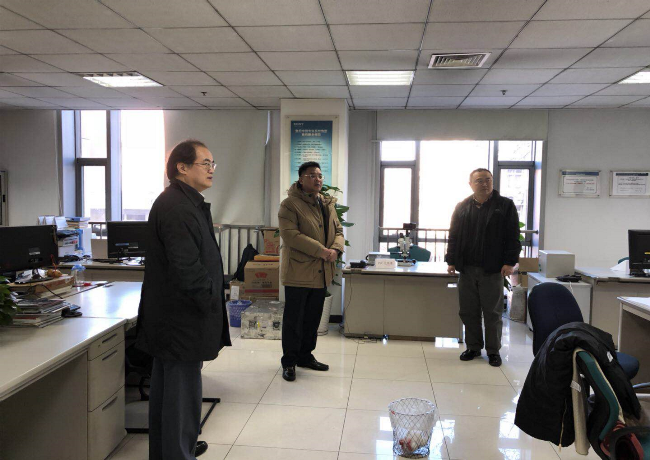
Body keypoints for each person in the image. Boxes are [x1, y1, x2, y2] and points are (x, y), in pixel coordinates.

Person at [136, 140, 231, 459]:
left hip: (176, 319)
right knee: (181, 398)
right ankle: (178, 453)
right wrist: (211, 301)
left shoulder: (183, 202)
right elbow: (187, 268)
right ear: (182, 167)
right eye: (206, 163)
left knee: (171, 395)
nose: (211, 169)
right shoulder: (177, 206)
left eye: (213, 163)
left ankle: (171, 451)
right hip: (182, 320)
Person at [445, 168, 521, 367]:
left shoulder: (505, 206)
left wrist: (509, 262)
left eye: (488, 179)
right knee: (468, 311)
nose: (484, 184)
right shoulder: (462, 207)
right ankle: (473, 347)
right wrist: (451, 261)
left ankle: (493, 351)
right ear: (470, 184)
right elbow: (453, 236)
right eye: (479, 180)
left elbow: (513, 236)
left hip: (492, 269)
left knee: (492, 313)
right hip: (467, 268)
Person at [278, 161, 345, 382]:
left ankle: (305, 356)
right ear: (301, 179)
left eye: (319, 175)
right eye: (312, 175)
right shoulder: (290, 204)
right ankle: (289, 361)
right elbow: (291, 235)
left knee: (312, 319)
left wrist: (335, 249)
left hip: (321, 271)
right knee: (294, 320)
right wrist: (322, 251)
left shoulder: (326, 203)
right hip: (298, 272)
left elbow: (338, 230)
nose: (317, 179)